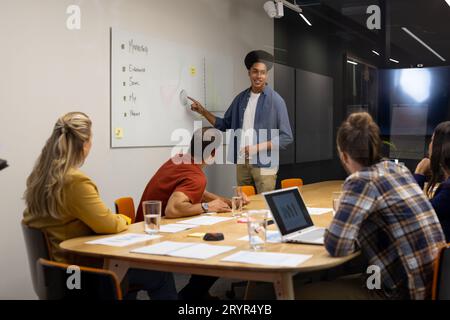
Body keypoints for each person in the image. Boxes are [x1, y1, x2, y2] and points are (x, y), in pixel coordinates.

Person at [22, 112, 177, 300]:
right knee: (159, 274)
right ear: (85, 144)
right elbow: (108, 224)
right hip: (80, 273)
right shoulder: (74, 181)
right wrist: (123, 218)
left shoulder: (39, 177)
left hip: (54, 272)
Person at [295, 112, 445, 300]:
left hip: (401, 292)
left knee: (298, 294)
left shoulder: (361, 181)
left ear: (343, 155)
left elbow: (337, 246)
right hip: (432, 285)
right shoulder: (397, 169)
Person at [136, 127, 247, 299]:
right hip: (154, 240)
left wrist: (227, 202)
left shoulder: (179, 159)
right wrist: (207, 207)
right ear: (213, 152)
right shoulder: (196, 176)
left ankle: (197, 294)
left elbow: (195, 191)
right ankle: (191, 295)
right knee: (218, 251)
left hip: (142, 230)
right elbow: (173, 209)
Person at [189, 50, 293, 194]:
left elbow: (286, 137)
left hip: (265, 163)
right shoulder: (240, 99)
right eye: (255, 71)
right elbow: (224, 124)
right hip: (242, 161)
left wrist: (257, 147)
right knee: (244, 205)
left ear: (266, 75)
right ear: (249, 73)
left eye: (262, 72)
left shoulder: (276, 100)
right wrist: (203, 111)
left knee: (264, 204)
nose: (259, 76)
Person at [414, 121, 450, 241]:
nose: (429, 145)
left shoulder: (447, 192)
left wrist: (419, 173)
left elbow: (414, 215)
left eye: (432, 140)